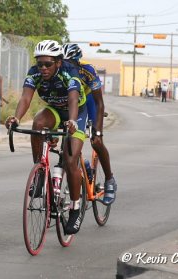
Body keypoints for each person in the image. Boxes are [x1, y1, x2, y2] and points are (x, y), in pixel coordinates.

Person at [5, 40, 87, 234]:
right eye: (40, 63)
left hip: (77, 113)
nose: (43, 68)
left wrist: (73, 121)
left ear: (58, 62)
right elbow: (26, 98)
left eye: (48, 64)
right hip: (55, 110)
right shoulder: (34, 73)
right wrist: (16, 117)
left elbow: (74, 98)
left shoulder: (69, 72)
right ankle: (40, 173)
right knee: (38, 124)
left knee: (69, 159)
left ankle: (76, 208)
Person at [62, 43, 117, 205]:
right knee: (67, 143)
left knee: (96, 141)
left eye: (70, 63)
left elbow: (100, 103)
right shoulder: (59, 72)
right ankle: (84, 166)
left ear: (77, 62)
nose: (66, 67)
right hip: (72, 104)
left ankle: (109, 180)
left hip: (90, 102)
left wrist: (97, 130)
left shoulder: (87, 71)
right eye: (64, 63)